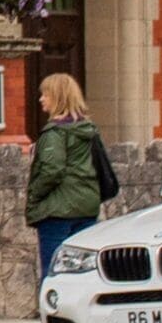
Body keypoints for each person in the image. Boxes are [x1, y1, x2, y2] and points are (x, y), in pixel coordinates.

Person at [26, 72, 113, 277]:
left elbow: (51, 171)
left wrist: (35, 196)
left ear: (57, 97)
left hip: (57, 212)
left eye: (45, 94)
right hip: (86, 208)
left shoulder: (55, 133)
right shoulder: (88, 130)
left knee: (54, 271)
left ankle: (53, 308)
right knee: (83, 271)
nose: (41, 99)